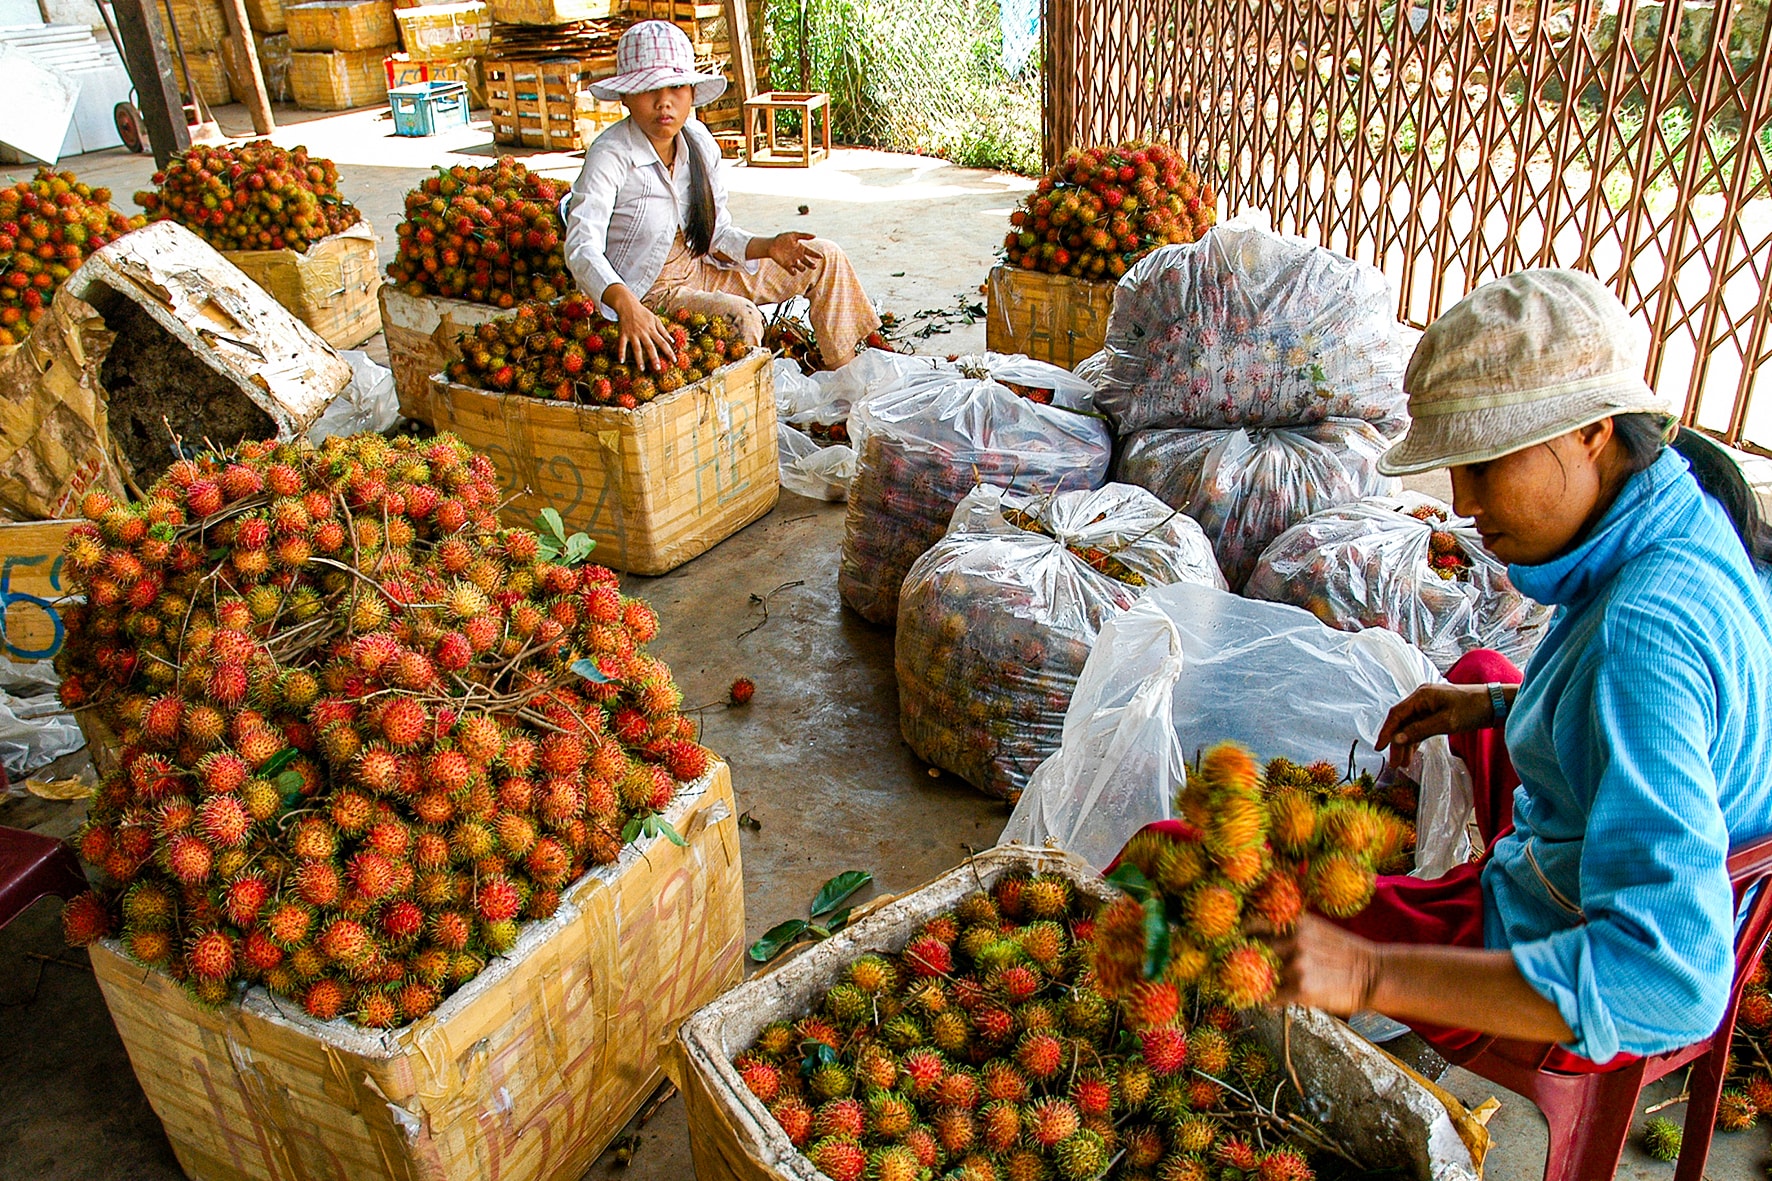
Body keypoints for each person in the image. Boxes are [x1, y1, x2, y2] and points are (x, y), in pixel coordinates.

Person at [1274, 268, 1772, 1069]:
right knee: (1480, 664)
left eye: (1485, 466)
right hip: (1608, 847)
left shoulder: (1643, 636)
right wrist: (1495, 706)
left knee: (1202, 890)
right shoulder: (1687, 512)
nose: (1462, 502)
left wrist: (1369, 971)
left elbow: (1669, 980)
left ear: (1592, 431)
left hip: (1560, 944)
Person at [563, 21, 880, 371]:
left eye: (676, 87)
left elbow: (717, 234)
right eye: (648, 89)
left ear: (692, 93)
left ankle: (846, 379)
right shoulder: (610, 154)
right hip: (648, 294)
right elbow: (582, 247)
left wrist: (769, 245)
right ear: (625, 97)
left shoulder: (697, 140)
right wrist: (625, 304)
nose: (664, 102)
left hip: (704, 269)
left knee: (824, 258)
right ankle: (745, 414)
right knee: (743, 319)